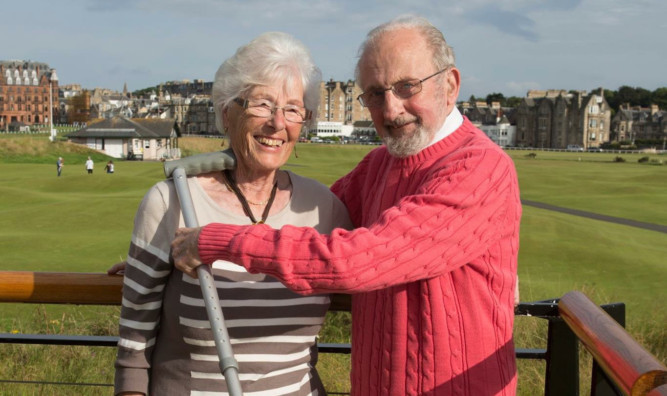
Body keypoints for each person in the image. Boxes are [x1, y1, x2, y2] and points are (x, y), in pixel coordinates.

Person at [172, 15, 522, 396]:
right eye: (375, 93)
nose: (390, 110)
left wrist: (217, 242)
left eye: (407, 87)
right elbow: (303, 225)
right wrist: (169, 263)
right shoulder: (380, 165)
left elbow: (354, 260)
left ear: (449, 85)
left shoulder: (480, 167)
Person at [112, 32, 352, 396]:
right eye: (261, 104)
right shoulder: (170, 202)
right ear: (227, 113)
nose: (277, 123)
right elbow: (133, 351)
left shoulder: (324, 208)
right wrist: (145, 268)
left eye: (292, 109)